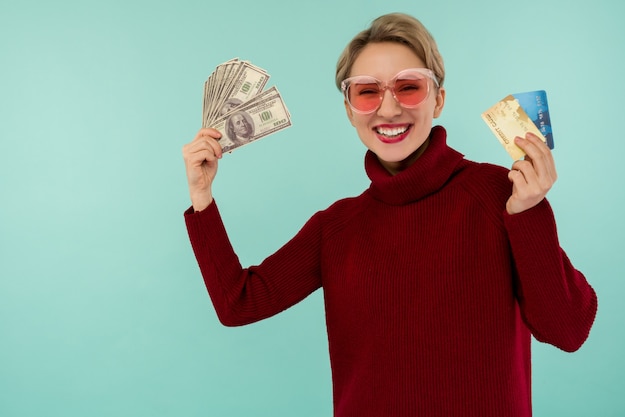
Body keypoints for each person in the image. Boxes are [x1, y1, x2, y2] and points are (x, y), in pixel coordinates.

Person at [182, 12, 597, 417]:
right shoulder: (335, 228)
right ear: (349, 110)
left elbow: (568, 330)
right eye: (367, 91)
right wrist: (202, 195)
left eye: (408, 87)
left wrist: (529, 213)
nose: (389, 108)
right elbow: (238, 303)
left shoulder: (499, 194)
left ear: (439, 99)